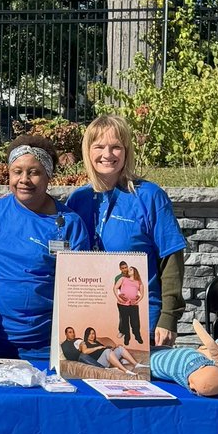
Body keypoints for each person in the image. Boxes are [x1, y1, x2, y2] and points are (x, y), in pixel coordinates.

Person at [0, 135, 91, 359]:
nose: (24, 179)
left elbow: (80, 292)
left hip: (44, 349)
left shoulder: (70, 224)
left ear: (48, 175)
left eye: (34, 172)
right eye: (17, 171)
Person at [67, 114, 187, 346]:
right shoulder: (77, 199)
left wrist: (169, 317)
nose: (107, 154)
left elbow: (171, 257)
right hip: (88, 317)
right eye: (99, 146)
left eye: (116, 147)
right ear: (88, 151)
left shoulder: (149, 196)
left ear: (127, 151)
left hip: (142, 319)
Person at [113, 265, 145, 345]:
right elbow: (115, 288)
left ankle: (137, 336)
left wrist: (137, 301)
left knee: (135, 322)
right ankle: (127, 337)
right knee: (125, 321)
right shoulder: (123, 279)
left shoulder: (139, 282)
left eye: (131, 269)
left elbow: (142, 294)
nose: (129, 270)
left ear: (135, 271)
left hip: (133, 304)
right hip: (122, 304)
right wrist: (119, 297)